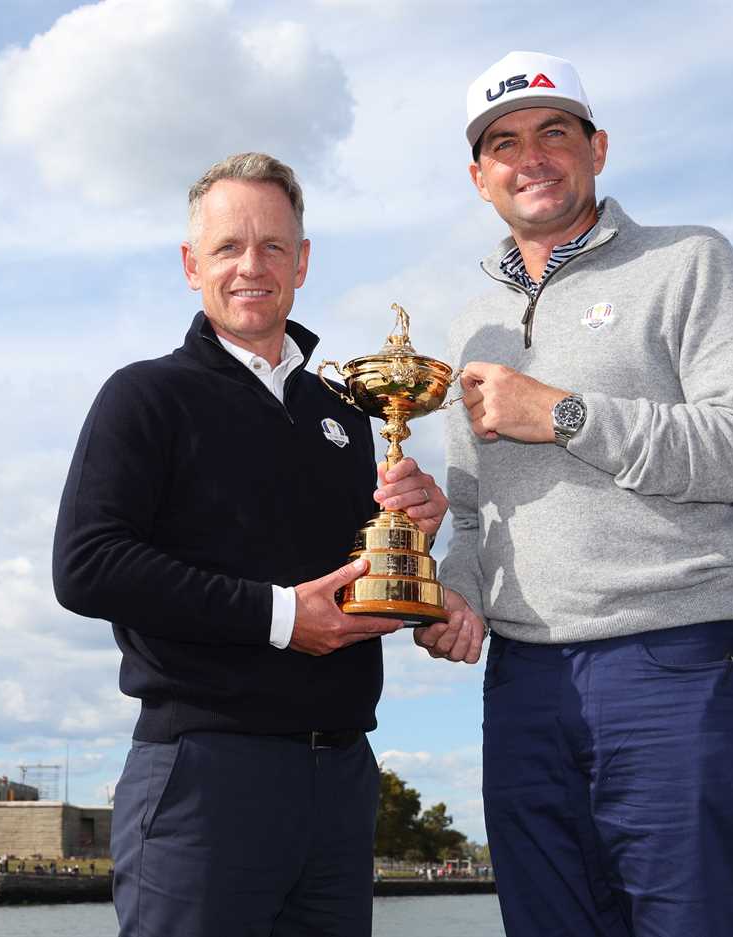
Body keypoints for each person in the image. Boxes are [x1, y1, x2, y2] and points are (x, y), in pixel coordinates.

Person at [417, 51, 733, 937]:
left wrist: (566, 413)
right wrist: (456, 589)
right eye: (503, 144)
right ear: (480, 178)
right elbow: (475, 513)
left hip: (670, 664)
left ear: (598, 148)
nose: (531, 157)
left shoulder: (690, 262)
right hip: (521, 686)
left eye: (555, 132)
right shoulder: (470, 327)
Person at [53, 152, 466, 937]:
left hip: (342, 776)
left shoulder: (348, 418)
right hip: (205, 772)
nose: (252, 266)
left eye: (274, 246)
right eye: (228, 247)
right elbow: (87, 564)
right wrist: (280, 617)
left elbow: (356, 579)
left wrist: (420, 551)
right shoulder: (146, 395)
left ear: (302, 262)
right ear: (190, 264)